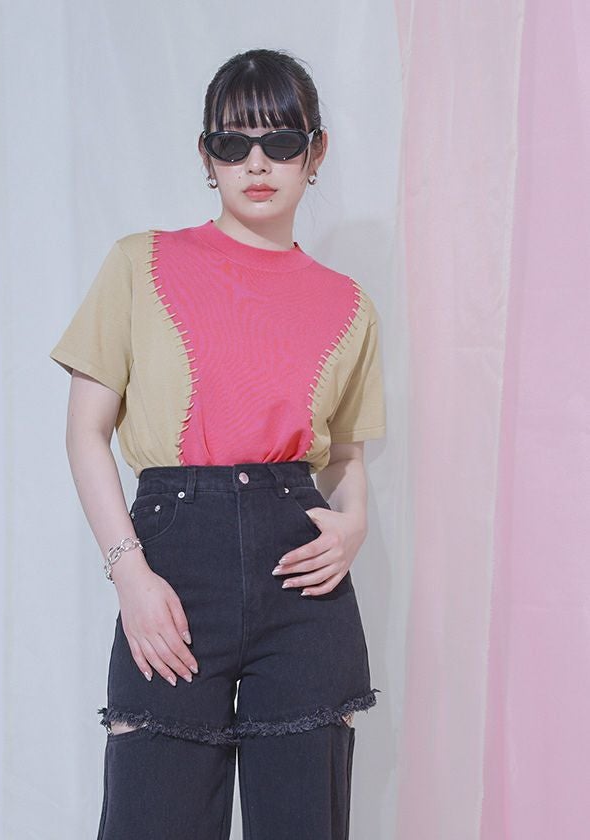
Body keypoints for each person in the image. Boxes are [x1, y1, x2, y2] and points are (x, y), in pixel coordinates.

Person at [49, 47, 386, 840]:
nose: (257, 164)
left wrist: (356, 523)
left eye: (282, 142)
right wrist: (129, 574)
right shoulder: (140, 263)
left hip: (303, 584)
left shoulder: (349, 303)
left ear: (317, 152)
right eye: (233, 144)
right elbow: (84, 433)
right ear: (207, 156)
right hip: (171, 564)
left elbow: (345, 456)